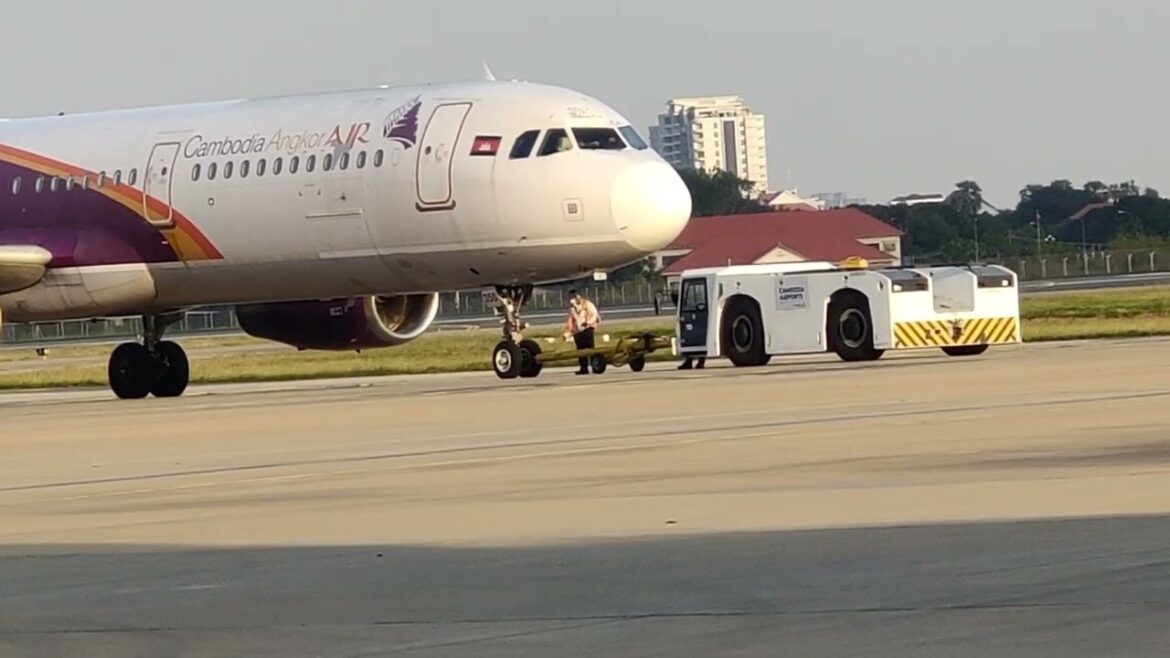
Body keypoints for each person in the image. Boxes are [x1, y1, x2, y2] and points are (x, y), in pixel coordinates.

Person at [565, 290, 600, 374]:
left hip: (587, 329)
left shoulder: (587, 304)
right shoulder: (572, 309)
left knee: (590, 349)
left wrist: (587, 323)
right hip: (577, 331)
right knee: (580, 351)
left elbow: (594, 315)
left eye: (573, 297)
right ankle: (583, 368)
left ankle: (595, 366)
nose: (571, 300)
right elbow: (570, 321)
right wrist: (568, 332)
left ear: (578, 296)